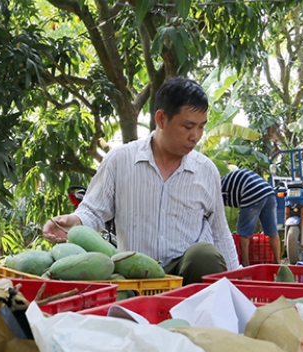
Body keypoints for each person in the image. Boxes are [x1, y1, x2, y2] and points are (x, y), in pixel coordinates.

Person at [42, 77, 240, 284]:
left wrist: (238, 282)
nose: (196, 136)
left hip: (186, 277)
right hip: (136, 275)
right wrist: (75, 222)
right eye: (188, 127)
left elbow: (220, 232)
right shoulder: (120, 160)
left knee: (204, 255)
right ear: (161, 119)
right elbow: (93, 210)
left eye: (201, 127)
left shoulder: (206, 170)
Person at [220, 168, 281, 266]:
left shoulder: (219, 189)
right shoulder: (227, 181)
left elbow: (217, 211)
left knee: (243, 233)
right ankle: (278, 263)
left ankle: (245, 264)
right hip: (269, 192)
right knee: (272, 231)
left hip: (252, 193)